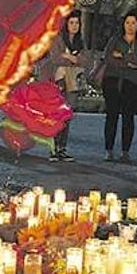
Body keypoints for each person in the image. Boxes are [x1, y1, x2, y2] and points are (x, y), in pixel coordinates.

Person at [102, 11, 137, 163]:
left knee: (128, 117)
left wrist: (122, 56)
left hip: (132, 83)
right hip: (113, 81)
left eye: (133, 23)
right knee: (112, 116)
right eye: (127, 22)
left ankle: (125, 151)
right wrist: (128, 63)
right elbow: (108, 58)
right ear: (123, 24)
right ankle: (109, 150)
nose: (130, 26)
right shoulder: (115, 40)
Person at [43, 12, 89, 162]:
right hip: (58, 80)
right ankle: (53, 148)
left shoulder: (80, 41)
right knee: (57, 115)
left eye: (77, 23)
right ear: (66, 24)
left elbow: (85, 60)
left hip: (72, 82)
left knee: (67, 116)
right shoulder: (58, 39)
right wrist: (73, 59)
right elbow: (56, 58)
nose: (74, 26)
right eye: (72, 23)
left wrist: (68, 57)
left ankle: (62, 148)